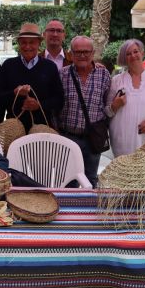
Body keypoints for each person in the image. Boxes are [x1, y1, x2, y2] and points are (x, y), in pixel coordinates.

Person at [57, 36, 111, 188]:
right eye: (78, 52)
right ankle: (69, 212)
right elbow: (56, 105)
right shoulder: (63, 74)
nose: (82, 55)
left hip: (93, 138)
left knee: (91, 179)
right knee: (69, 180)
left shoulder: (104, 74)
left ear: (92, 53)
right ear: (71, 54)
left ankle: (89, 211)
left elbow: (107, 105)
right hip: (68, 137)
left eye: (86, 52)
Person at [106, 39, 145, 157]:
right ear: (124, 58)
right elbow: (107, 112)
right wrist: (114, 105)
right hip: (122, 143)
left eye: (135, 51)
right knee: (123, 174)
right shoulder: (116, 81)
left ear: (142, 53)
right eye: (128, 54)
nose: (133, 56)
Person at [0, 22, 64, 132]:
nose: (27, 46)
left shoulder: (50, 67)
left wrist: (39, 105)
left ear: (39, 44)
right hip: (13, 130)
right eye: (24, 42)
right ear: (18, 43)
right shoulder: (8, 65)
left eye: (32, 42)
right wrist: (14, 92)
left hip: (42, 129)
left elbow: (59, 100)